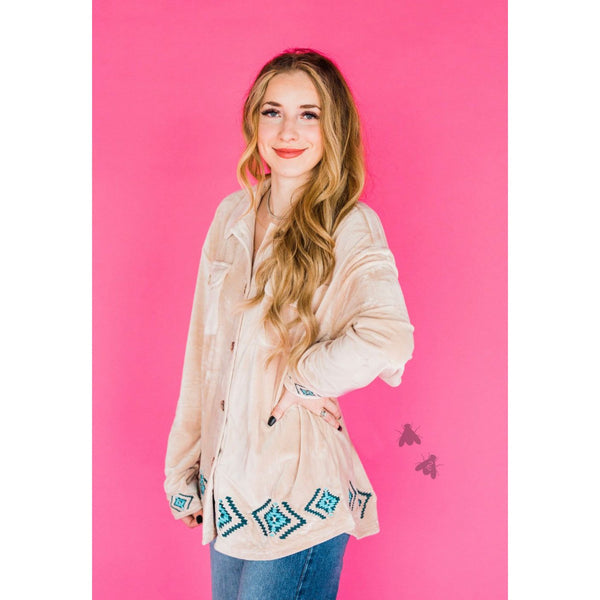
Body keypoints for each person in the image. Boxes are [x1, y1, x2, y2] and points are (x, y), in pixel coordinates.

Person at [164, 48, 415, 600]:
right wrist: (183, 467)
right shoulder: (231, 215)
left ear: (333, 127)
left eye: (309, 114)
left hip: (299, 493)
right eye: (272, 111)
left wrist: (304, 378)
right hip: (230, 490)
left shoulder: (349, 224)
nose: (287, 131)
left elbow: (389, 336)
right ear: (254, 120)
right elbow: (204, 350)